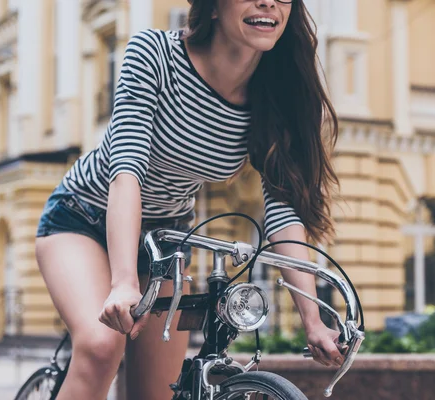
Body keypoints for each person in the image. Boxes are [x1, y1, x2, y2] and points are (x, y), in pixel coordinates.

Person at [35, 0, 346, 398]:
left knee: (162, 390)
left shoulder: (274, 96)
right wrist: (124, 281)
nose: (269, 1)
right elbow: (127, 169)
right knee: (101, 345)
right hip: (81, 219)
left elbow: (283, 212)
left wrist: (313, 320)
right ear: (213, 7)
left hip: (165, 243)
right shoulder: (155, 54)